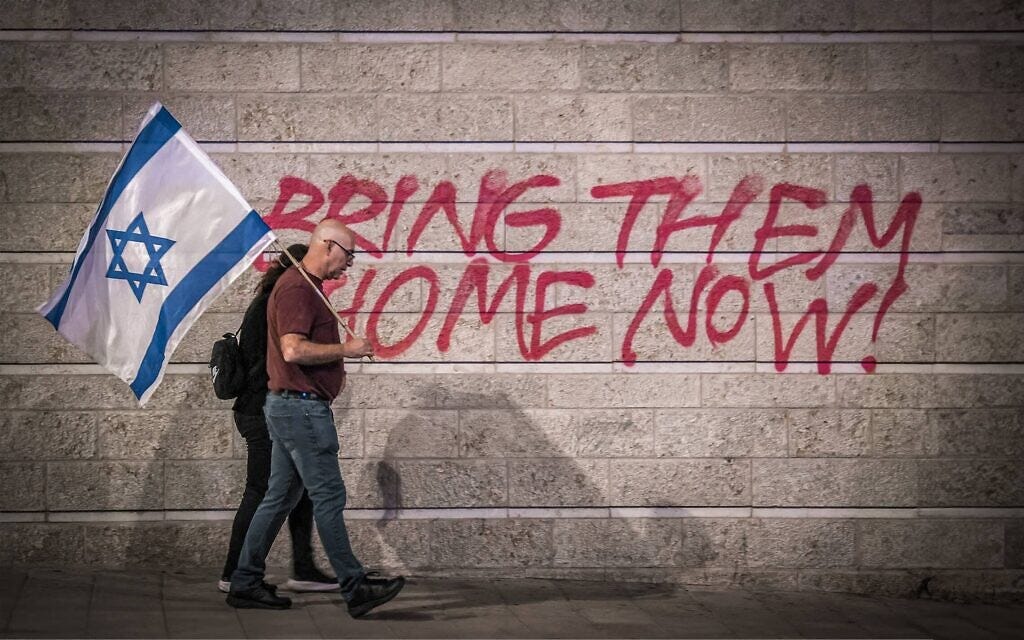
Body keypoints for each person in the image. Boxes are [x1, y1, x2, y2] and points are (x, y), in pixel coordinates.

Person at [227, 220, 405, 618]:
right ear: (328, 246)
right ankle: (355, 587)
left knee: (280, 497)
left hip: (290, 407)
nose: (349, 265)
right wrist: (349, 348)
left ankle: (244, 581)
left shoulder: (305, 287)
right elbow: (293, 350)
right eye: (349, 255)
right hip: (300, 408)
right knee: (328, 497)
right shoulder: (297, 288)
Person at [218, 244, 337, 594]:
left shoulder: (273, 300)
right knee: (261, 490)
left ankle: (303, 567)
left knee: (301, 490)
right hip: (262, 411)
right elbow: (285, 358)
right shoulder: (279, 303)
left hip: (266, 409)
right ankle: (234, 571)